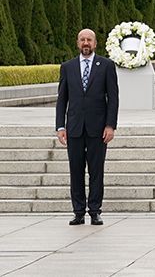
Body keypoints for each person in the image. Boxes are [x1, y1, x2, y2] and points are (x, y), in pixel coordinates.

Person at [56, 28, 119, 226]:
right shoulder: (67, 67)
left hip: (98, 128)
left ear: (95, 43)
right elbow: (62, 99)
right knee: (75, 170)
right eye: (82, 40)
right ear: (77, 43)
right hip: (74, 127)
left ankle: (95, 211)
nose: (86, 43)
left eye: (89, 40)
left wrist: (110, 125)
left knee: (96, 170)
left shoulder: (106, 65)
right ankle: (78, 212)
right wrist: (60, 126)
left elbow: (113, 98)